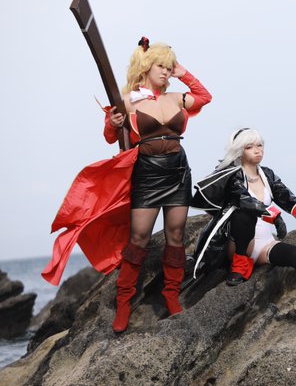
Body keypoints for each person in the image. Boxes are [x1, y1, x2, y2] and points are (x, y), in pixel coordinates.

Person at [42, 37, 212, 334]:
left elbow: (205, 96)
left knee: (175, 235)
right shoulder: (129, 100)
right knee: (139, 237)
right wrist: (112, 122)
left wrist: (182, 72)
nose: (166, 71)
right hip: (147, 173)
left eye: (169, 66)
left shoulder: (176, 98)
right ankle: (124, 302)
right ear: (146, 66)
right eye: (161, 66)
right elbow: (111, 135)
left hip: (178, 172)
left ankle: (171, 296)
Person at [190, 128, 296, 335]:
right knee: (244, 215)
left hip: (265, 244)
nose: (257, 150)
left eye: (260, 145)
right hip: (237, 244)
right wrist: (274, 216)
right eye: (250, 147)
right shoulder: (232, 175)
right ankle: (240, 264)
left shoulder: (267, 174)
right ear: (239, 151)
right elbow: (245, 201)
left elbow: (287, 198)